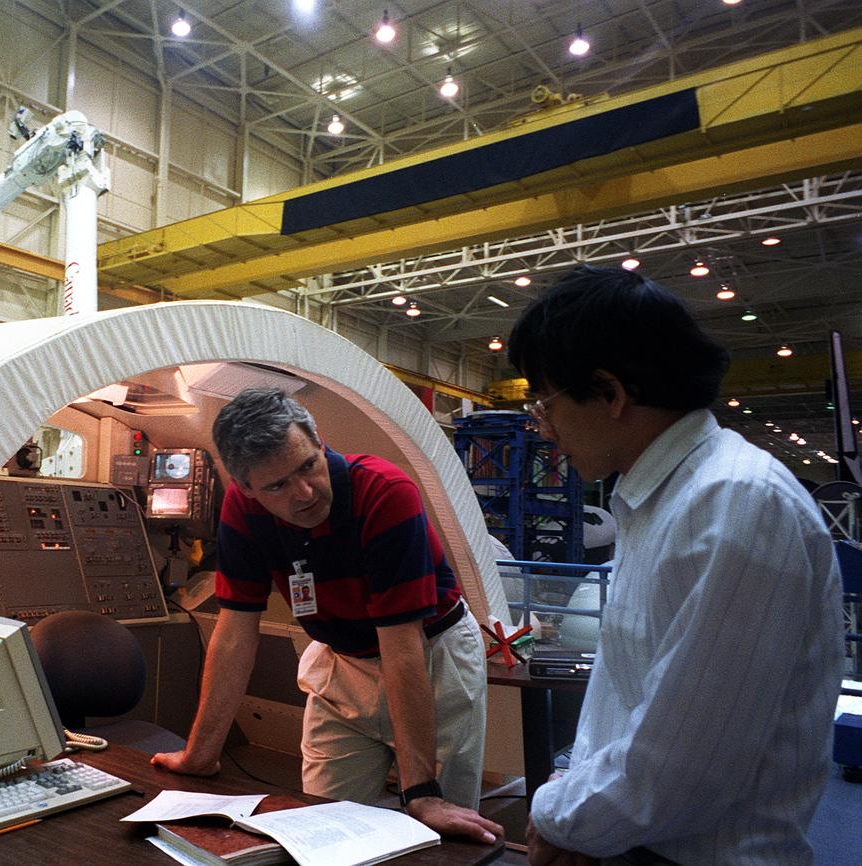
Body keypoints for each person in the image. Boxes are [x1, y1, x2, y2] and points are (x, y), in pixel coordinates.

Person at [508, 266, 842, 864]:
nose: (545, 429)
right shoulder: (660, 500)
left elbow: (686, 763)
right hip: (635, 842)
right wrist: (575, 794)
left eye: (545, 403)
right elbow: (630, 696)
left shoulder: (737, 504)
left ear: (610, 393)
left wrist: (559, 816)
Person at [151, 387, 503, 844]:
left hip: (432, 655)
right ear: (247, 488)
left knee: (439, 834)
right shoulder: (243, 510)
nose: (304, 493)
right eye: (277, 486)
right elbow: (234, 633)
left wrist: (420, 793)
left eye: (307, 466)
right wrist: (200, 755)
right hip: (342, 661)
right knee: (326, 829)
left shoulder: (384, 492)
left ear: (318, 440)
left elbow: (402, 644)